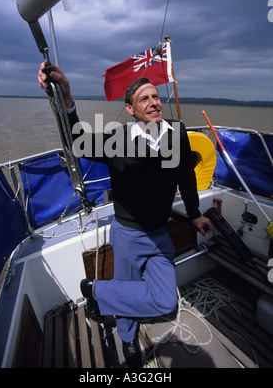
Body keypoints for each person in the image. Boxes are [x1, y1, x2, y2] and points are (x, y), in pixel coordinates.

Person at [38, 63, 213, 367]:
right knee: (128, 291)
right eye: (144, 99)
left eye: (155, 96)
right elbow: (76, 142)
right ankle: (128, 340)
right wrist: (65, 97)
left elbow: (185, 175)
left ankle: (95, 291)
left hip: (160, 232)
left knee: (166, 302)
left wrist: (195, 214)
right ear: (130, 110)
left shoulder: (177, 132)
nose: (154, 102)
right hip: (129, 235)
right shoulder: (116, 139)